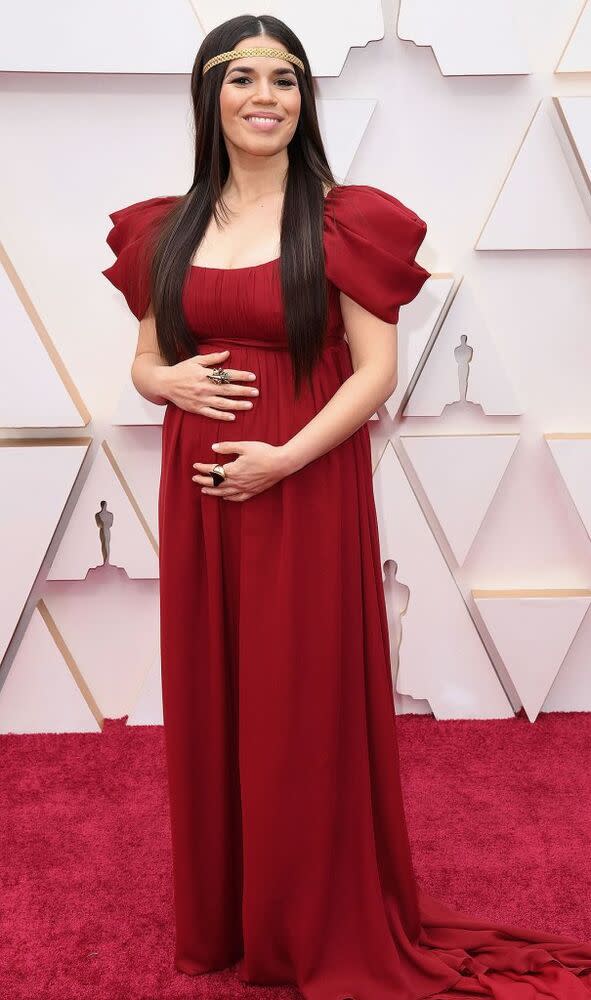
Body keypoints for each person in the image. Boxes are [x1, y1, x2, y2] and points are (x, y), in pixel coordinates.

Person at [101, 13, 591, 1000]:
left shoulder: (341, 221)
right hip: (202, 496)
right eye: (242, 78)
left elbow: (376, 374)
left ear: (303, 101)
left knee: (297, 699)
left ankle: (306, 918)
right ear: (209, 96)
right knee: (215, 694)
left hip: (304, 483)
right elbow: (146, 359)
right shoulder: (167, 228)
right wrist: (167, 388)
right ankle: (233, 916)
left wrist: (281, 458)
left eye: (285, 80)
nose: (265, 97)